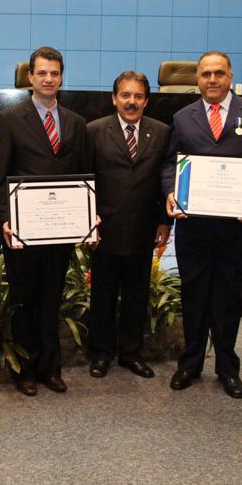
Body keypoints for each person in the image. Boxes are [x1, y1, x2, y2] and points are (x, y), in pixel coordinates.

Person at [161, 51, 242, 399]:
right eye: (205, 74)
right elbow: (170, 164)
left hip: (237, 228)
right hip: (193, 226)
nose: (211, 80)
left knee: (229, 297)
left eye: (218, 73)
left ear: (230, 76)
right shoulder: (182, 117)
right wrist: (171, 192)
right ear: (197, 79)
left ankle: (228, 368)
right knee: (194, 295)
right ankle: (190, 363)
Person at [0, 46, 89, 396]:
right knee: (24, 300)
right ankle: (25, 369)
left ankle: (51, 368)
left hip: (60, 228)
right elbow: (0, 175)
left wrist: (86, 217)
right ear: (30, 77)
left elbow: (83, 175)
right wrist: (5, 219)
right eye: (42, 73)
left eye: (55, 73)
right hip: (22, 229)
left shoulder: (76, 123)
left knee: (51, 299)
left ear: (61, 78)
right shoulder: (9, 120)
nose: (49, 79)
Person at [84, 71, 171, 379]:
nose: (131, 102)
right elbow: (87, 180)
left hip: (143, 228)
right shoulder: (94, 131)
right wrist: (88, 223)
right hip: (105, 229)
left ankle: (131, 353)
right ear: (114, 98)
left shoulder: (161, 132)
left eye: (138, 96)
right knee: (103, 295)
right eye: (125, 95)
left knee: (137, 294)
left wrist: (164, 222)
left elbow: (164, 181)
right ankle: (102, 353)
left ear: (146, 101)